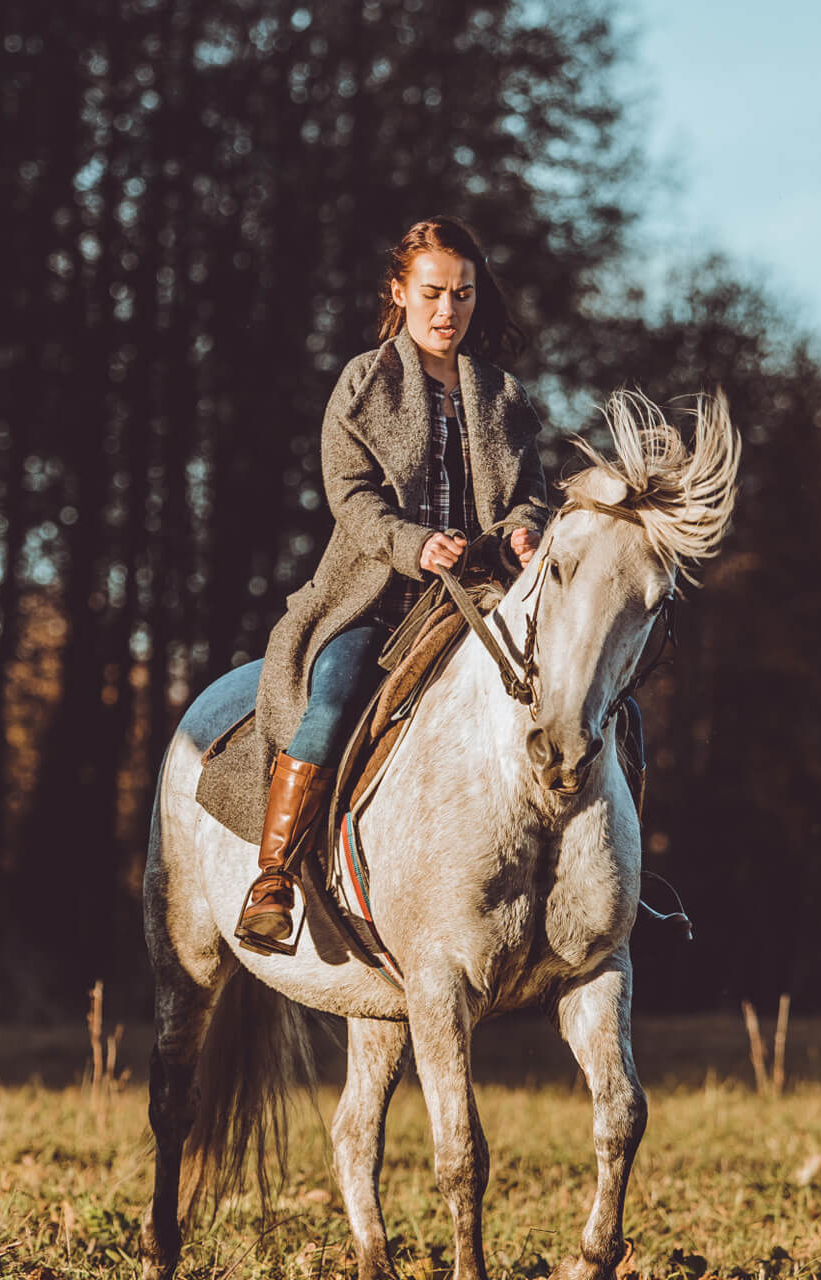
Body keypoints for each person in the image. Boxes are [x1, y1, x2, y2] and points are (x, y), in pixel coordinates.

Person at [237, 216, 550, 951]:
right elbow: (349, 495)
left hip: (480, 607)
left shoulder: (502, 394)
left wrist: (523, 529)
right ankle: (274, 879)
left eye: (465, 295)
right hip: (376, 604)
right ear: (400, 292)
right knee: (330, 705)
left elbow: (531, 492)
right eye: (435, 293)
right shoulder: (364, 380)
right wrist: (415, 544)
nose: (450, 311)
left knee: (572, 697)